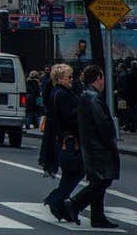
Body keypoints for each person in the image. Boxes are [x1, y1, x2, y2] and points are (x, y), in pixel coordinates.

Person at [62, 65, 120, 229]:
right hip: (98, 146)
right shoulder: (93, 97)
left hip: (91, 145)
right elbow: (102, 123)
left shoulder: (86, 95)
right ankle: (74, 204)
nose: (104, 82)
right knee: (103, 180)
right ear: (98, 78)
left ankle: (97, 217)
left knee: (98, 179)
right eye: (102, 78)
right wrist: (110, 141)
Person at [41, 64, 84, 223]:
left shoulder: (56, 93)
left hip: (63, 139)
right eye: (69, 77)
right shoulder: (62, 95)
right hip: (69, 140)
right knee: (78, 170)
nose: (72, 79)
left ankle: (60, 206)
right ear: (59, 79)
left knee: (70, 173)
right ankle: (57, 200)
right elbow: (70, 118)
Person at [122, 61, 137, 132]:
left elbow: (126, 86)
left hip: (130, 96)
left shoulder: (128, 74)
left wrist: (124, 95)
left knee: (130, 110)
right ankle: (134, 125)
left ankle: (128, 125)